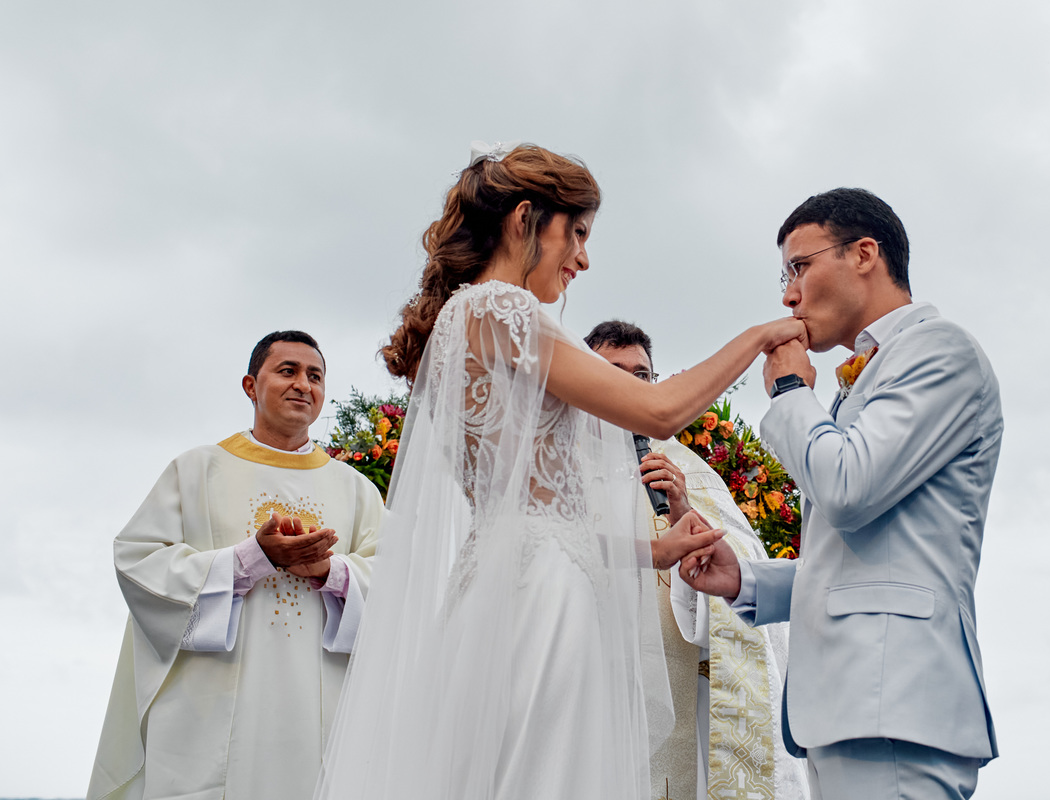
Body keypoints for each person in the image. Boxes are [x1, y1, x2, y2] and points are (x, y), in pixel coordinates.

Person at [312, 143, 807, 800]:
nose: (583, 257)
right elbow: (658, 411)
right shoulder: (502, 310)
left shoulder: (464, 323)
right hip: (543, 593)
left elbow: (535, 514)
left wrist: (654, 550)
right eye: (576, 232)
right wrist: (760, 337)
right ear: (524, 220)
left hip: (508, 578)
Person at [680, 188, 1003, 800]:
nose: (788, 295)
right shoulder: (869, 375)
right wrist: (748, 581)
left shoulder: (940, 350)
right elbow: (862, 552)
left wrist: (791, 394)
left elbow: (848, 488)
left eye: (799, 267)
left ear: (864, 253)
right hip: (849, 708)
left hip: (896, 704)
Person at [88, 331, 384, 800]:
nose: (303, 385)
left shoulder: (356, 490)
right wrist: (251, 560)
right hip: (210, 715)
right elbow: (138, 559)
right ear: (250, 385)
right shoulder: (197, 470)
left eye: (315, 376)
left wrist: (331, 573)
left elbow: (399, 584)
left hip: (320, 711)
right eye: (287, 371)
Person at [586, 319, 808, 800]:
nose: (629, 383)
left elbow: (740, 568)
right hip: (586, 679)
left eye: (642, 376)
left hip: (675, 683)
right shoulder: (558, 465)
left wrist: (685, 513)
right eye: (613, 371)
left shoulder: (687, 470)